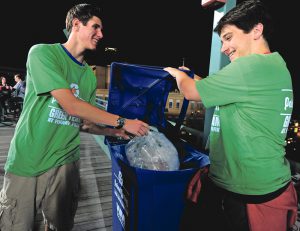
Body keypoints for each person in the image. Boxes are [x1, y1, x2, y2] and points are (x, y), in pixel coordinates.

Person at [0, 3, 149, 231]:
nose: (101, 34)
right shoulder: (42, 53)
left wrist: (113, 131)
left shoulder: (88, 77)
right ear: (77, 24)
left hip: (66, 163)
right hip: (28, 159)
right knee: (16, 225)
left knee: (61, 225)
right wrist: (122, 121)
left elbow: (85, 123)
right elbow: (70, 105)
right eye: (96, 27)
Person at [164, 0, 297, 230]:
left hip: (248, 195)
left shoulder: (248, 67)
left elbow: (189, 91)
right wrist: (192, 76)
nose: (223, 48)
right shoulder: (273, 65)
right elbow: (214, 88)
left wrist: (176, 74)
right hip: (263, 184)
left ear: (256, 30)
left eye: (228, 37)